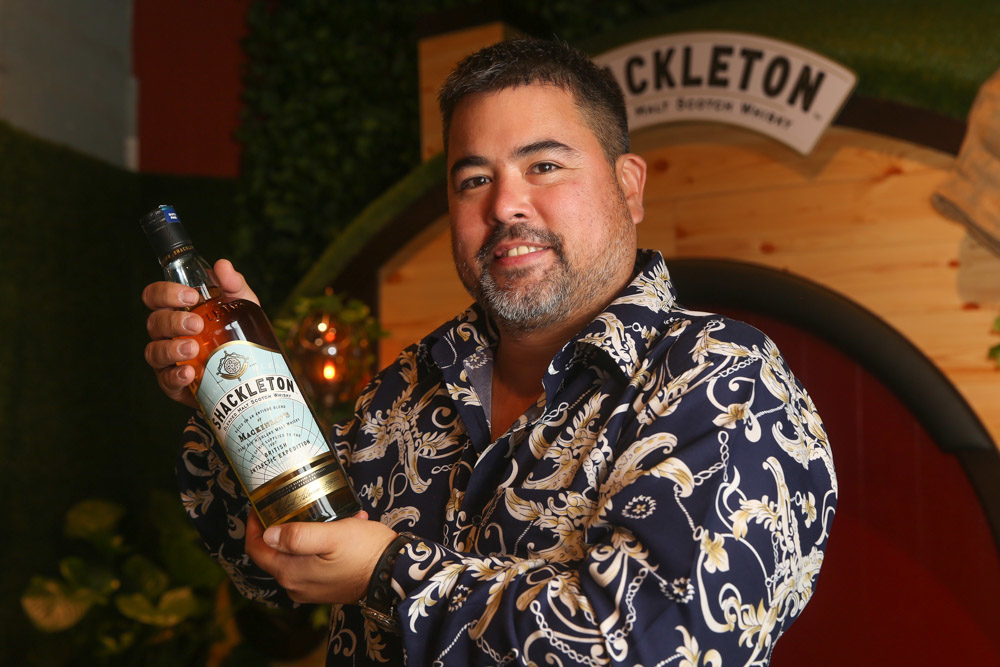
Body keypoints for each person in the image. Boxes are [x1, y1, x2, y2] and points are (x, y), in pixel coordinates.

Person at [143, 38, 837, 666]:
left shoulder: (727, 380)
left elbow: (654, 646)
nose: (506, 203)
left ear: (629, 186)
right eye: (474, 178)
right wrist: (233, 390)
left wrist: (389, 573)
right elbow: (274, 570)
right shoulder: (408, 387)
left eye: (543, 165)